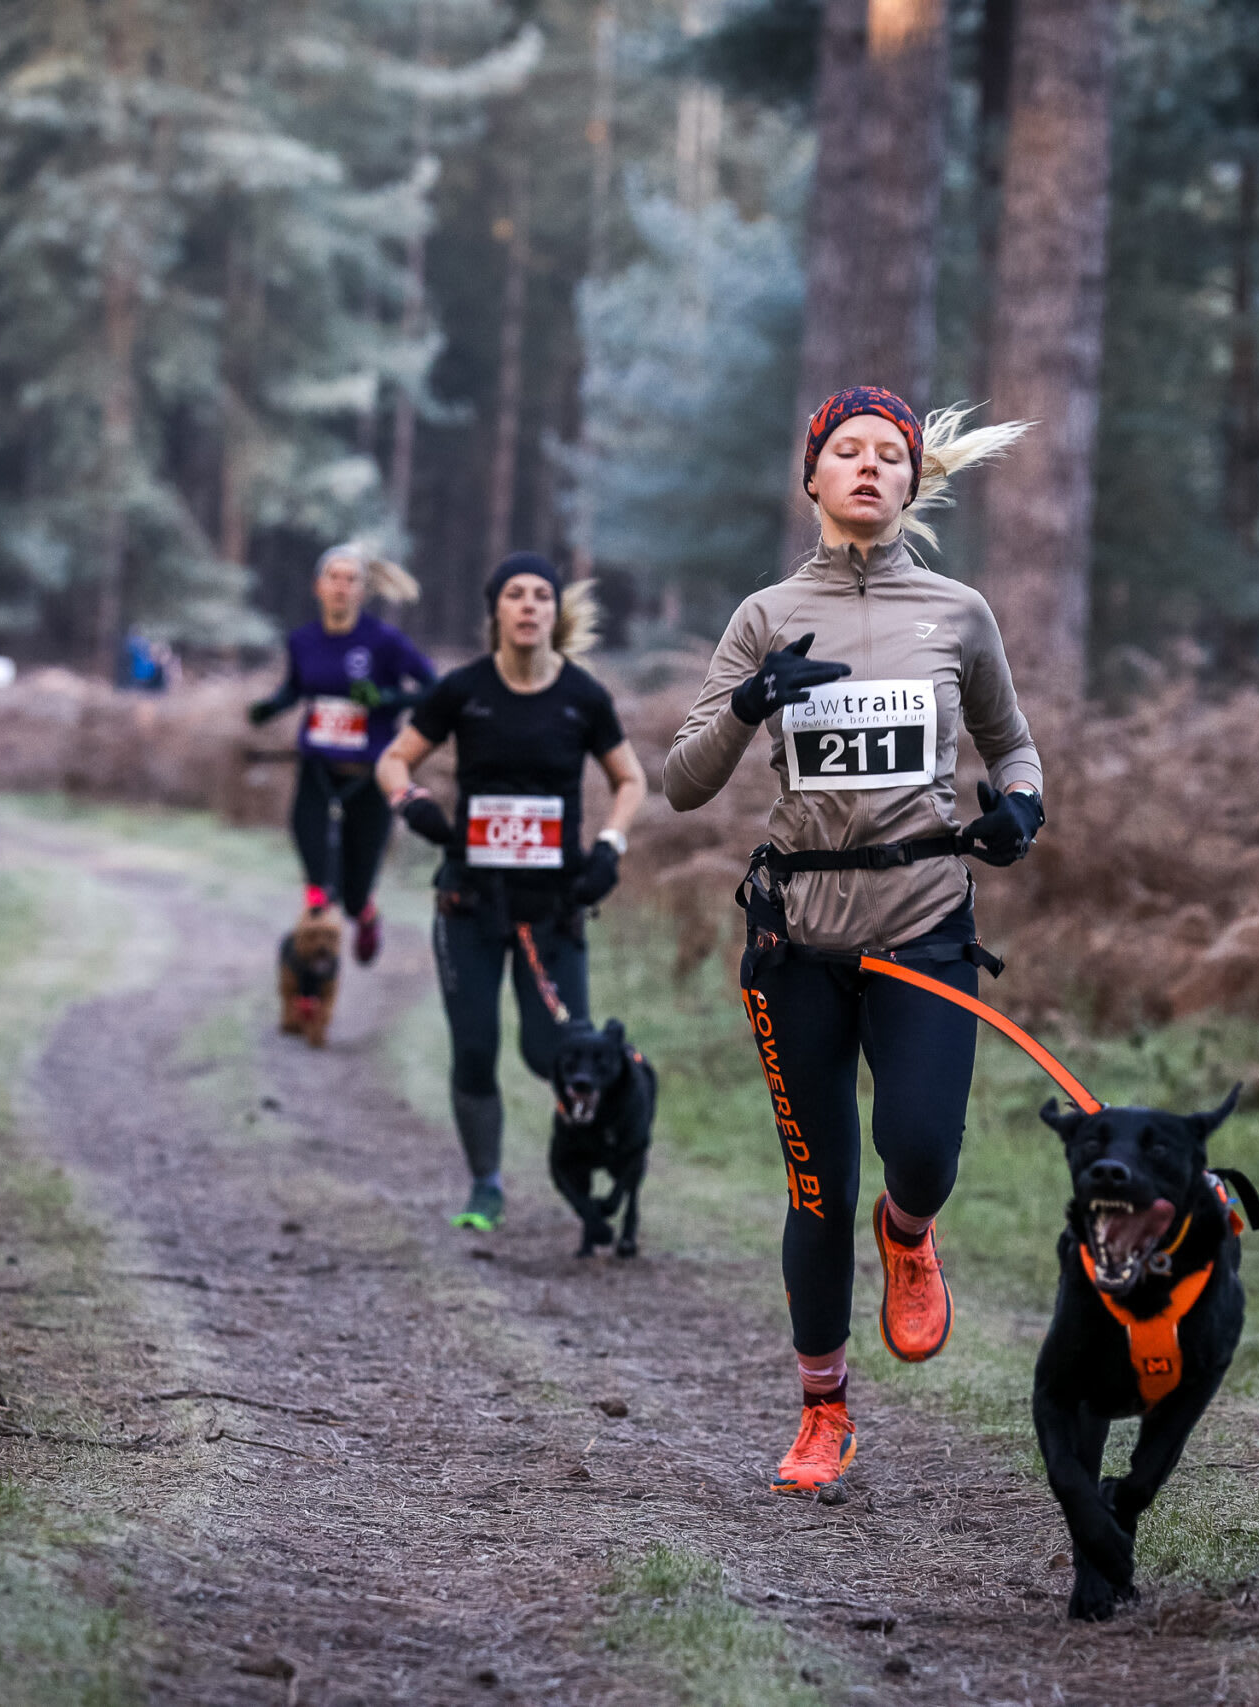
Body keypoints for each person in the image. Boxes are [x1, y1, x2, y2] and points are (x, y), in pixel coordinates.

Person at [664, 387, 1045, 1494]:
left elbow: (1012, 747)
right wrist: (746, 707)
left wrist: (1018, 810)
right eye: (847, 451)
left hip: (925, 923)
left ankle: (911, 1229)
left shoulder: (959, 612)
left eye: (891, 454)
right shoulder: (765, 615)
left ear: (913, 481)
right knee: (816, 1186)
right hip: (799, 945)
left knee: (921, 1152)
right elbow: (685, 787)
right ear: (813, 478)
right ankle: (822, 1411)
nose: (869, 466)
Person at [375, 553, 645, 1232]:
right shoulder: (463, 689)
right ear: (495, 610)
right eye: (516, 595)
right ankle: (485, 1185)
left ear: (555, 613)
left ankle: (602, 1148)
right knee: (474, 1048)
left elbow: (631, 781)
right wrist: (414, 806)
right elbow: (393, 758)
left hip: (555, 905)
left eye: (541, 596)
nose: (529, 606)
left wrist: (609, 849)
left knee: (554, 1051)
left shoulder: (583, 696)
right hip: (470, 900)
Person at [247, 544, 437, 968]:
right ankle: (312, 974)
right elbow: (296, 688)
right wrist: (272, 707)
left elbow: (433, 688)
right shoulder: (302, 641)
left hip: (369, 776)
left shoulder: (385, 642)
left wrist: (387, 698)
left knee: (351, 896)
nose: (341, 586)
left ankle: (365, 916)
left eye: (351, 579)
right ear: (318, 587)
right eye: (333, 577)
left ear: (363, 591)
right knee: (318, 883)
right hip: (316, 770)